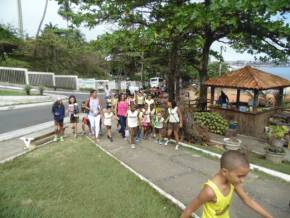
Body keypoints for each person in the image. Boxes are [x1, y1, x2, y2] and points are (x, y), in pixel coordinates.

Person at [181, 150, 273, 218]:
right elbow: (189, 210)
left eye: (244, 176)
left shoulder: (233, 182)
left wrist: (268, 216)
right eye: (240, 176)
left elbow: (248, 200)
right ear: (224, 172)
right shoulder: (210, 191)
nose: (242, 180)